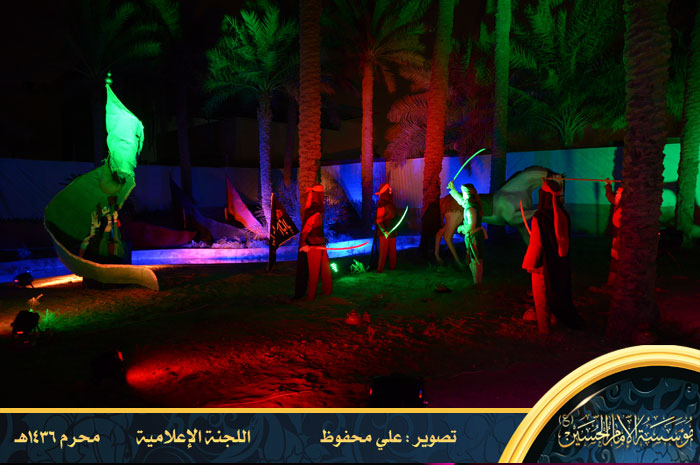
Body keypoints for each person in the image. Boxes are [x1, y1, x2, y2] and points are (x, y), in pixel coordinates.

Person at [522, 179, 582, 334]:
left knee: (541, 295)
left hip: (542, 263)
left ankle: (544, 328)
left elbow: (537, 244)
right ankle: (555, 319)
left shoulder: (540, 217)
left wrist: (531, 263)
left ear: (544, 196)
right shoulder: (563, 214)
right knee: (555, 290)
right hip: (559, 263)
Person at [295, 183, 332, 301]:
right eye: (321, 194)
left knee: (325, 269)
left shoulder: (317, 210)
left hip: (320, 244)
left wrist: (322, 238)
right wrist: (303, 243)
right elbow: (305, 230)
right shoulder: (313, 211)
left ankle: (327, 290)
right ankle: (311, 296)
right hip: (313, 246)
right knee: (314, 271)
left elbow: (316, 228)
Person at [447, 181, 486, 284]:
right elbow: (461, 201)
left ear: (467, 193)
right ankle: (476, 282)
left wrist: (461, 228)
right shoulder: (471, 205)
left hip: (474, 237)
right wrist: (453, 189)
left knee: (476, 260)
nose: (462, 195)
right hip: (474, 236)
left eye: (463, 192)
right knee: (474, 259)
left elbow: (471, 226)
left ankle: (477, 283)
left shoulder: (470, 209)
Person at [374, 183, 398, 272]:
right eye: (389, 190)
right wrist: (384, 231)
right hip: (384, 233)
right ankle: (380, 269)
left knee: (393, 251)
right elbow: (378, 221)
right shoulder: (381, 206)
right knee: (383, 251)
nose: (391, 191)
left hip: (392, 231)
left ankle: (393, 267)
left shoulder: (391, 204)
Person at [604, 178, 623, 288]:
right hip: (617, 233)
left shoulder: (628, 203)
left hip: (623, 234)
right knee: (614, 257)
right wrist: (608, 185)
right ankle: (612, 282)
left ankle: (618, 282)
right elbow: (611, 197)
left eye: (618, 194)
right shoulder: (618, 200)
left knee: (619, 257)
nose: (616, 195)